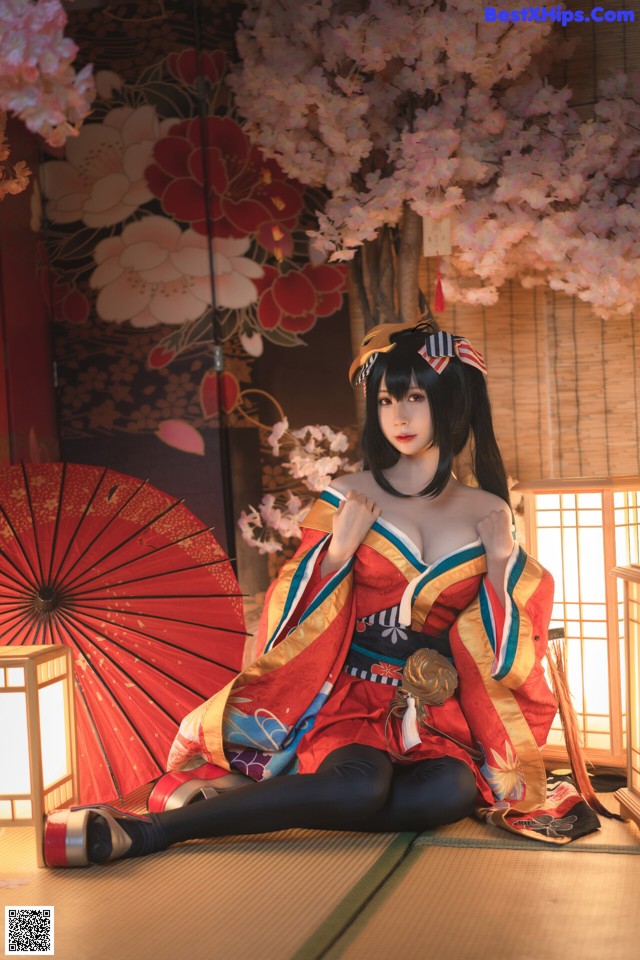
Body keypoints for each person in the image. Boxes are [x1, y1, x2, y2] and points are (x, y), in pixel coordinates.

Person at [44, 321, 601, 867]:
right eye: (386, 400)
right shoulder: (347, 496)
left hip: (434, 717)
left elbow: (505, 653)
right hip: (346, 699)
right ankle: (154, 830)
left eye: (414, 397)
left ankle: (252, 800)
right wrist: (335, 554)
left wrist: (502, 561)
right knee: (361, 787)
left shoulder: (489, 512)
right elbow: (289, 618)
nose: (399, 416)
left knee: (449, 794)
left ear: (451, 401)